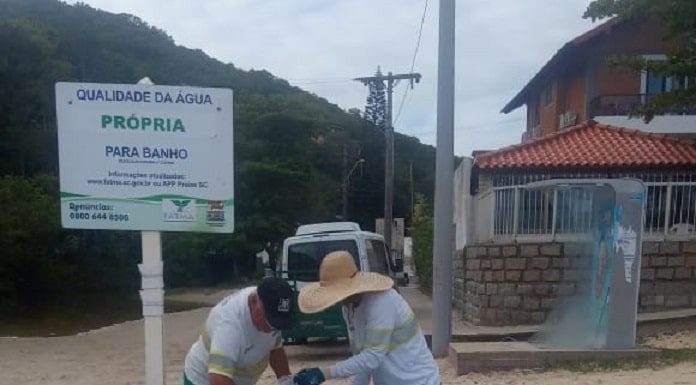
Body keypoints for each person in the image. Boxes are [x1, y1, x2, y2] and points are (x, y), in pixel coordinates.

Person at [293, 251, 441, 385]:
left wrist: (324, 373)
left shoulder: (382, 301)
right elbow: (362, 358)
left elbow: (372, 357)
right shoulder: (349, 307)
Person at [183, 277, 295, 385]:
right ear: (254, 301)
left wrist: (285, 380)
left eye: (278, 324)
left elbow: (275, 348)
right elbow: (219, 379)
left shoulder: (270, 303)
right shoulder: (229, 326)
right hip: (203, 380)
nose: (272, 329)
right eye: (269, 321)